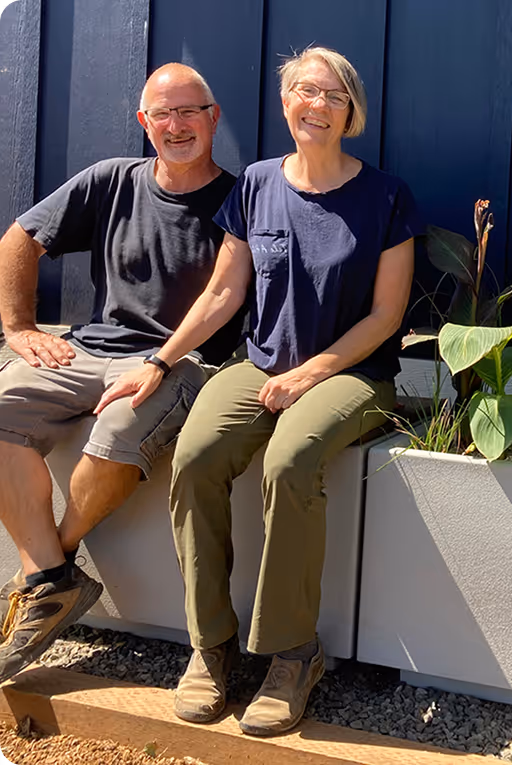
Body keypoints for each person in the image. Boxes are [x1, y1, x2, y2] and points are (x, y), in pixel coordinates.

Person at [95, 46, 423, 735]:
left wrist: (309, 373)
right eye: (306, 91)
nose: (317, 105)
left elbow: (386, 316)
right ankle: (211, 645)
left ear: (351, 112)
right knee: (195, 456)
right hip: (261, 364)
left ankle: (291, 652)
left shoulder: (386, 196)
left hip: (355, 375)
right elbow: (223, 292)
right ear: (285, 103)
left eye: (333, 95)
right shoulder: (256, 184)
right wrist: (160, 360)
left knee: (289, 460)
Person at [0, 63, 241, 683]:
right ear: (144, 122)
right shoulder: (112, 179)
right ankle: (51, 578)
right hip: (87, 349)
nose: (176, 125)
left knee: (113, 433)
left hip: (180, 359)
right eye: (162, 114)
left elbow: (227, 296)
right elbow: (19, 239)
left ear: (214, 118)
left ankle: (46, 572)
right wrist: (19, 328)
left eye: (189, 111)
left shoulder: (241, 199)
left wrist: (161, 362)